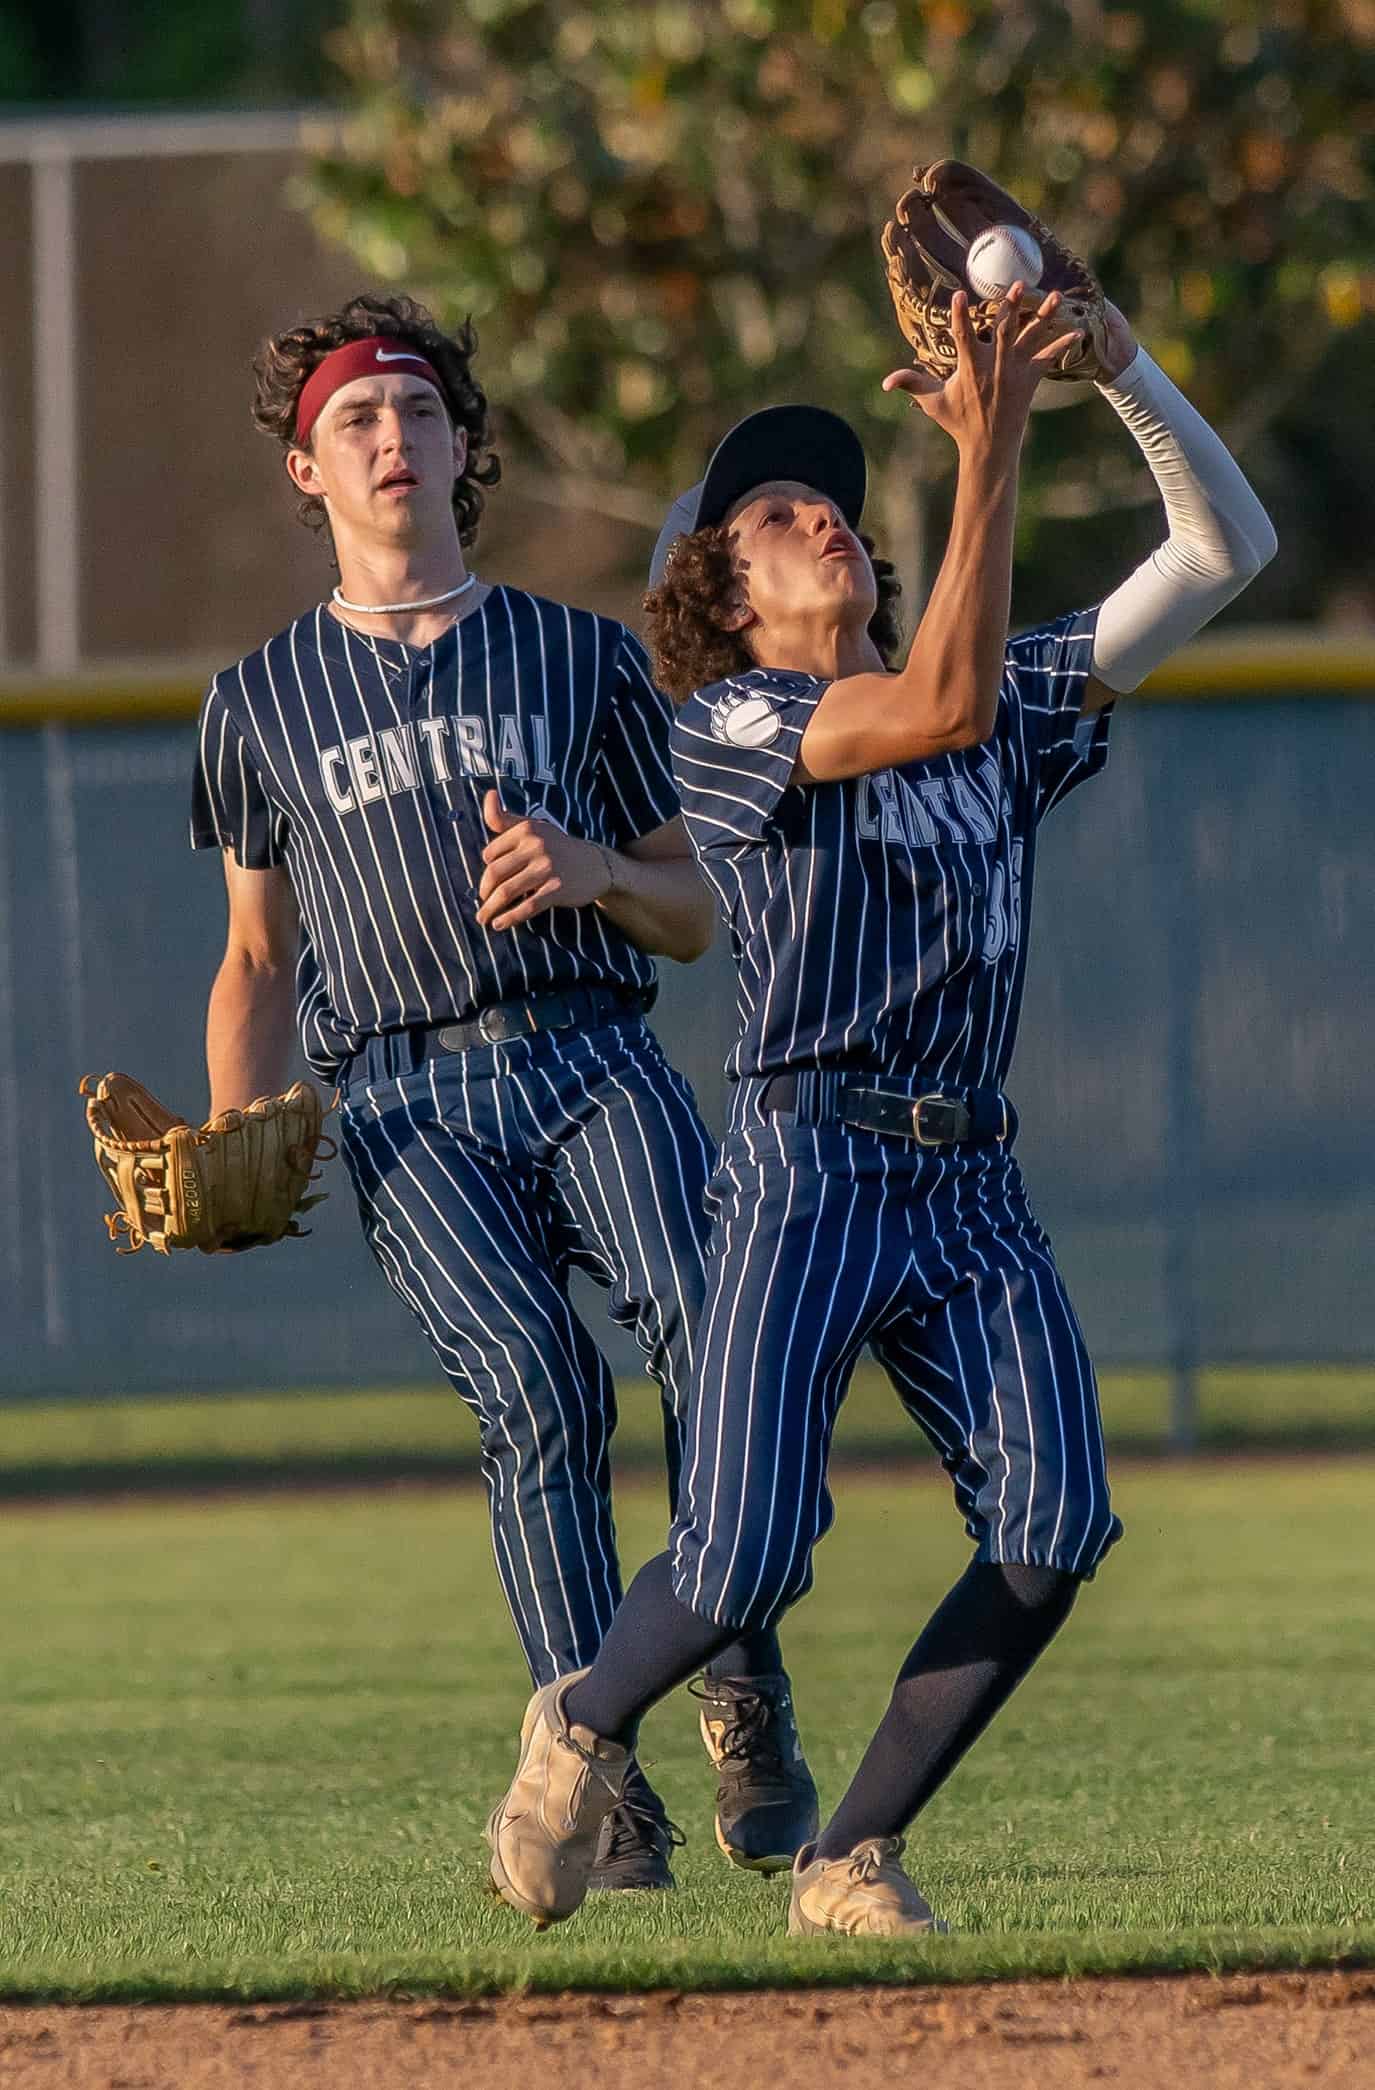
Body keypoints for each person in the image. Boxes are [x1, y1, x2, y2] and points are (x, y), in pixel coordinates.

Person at [485, 284, 1277, 1933]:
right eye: (774, 516)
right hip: (805, 1163)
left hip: (967, 1174)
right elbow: (932, 710)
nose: (819, 514)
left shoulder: (994, 702)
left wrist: (1119, 369)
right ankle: (575, 1716)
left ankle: (849, 1852)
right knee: (750, 1549)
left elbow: (1226, 551)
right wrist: (988, 444)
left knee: (1056, 1523)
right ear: (723, 589)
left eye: (831, 499)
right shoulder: (729, 725)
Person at [189, 292, 819, 1893]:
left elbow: (695, 907)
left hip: (592, 1055)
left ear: (463, 446)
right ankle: (601, 1785)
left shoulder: (581, 657)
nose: (390, 437)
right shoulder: (255, 702)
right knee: (539, 1390)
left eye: (416, 411)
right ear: (304, 470)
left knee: (705, 1320)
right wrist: (230, 1128)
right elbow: (258, 959)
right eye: (354, 419)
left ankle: (740, 1690)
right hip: (404, 1104)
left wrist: (598, 866)